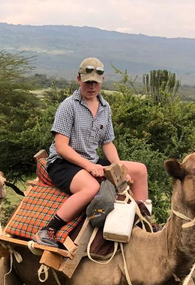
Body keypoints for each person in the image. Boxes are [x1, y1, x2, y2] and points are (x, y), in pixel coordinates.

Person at [33, 57, 149, 248]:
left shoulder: (105, 107)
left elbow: (107, 143)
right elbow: (61, 147)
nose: (92, 86)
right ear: (79, 79)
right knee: (91, 187)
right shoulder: (68, 106)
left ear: (102, 80)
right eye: (87, 82)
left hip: (91, 160)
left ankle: (142, 222)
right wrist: (89, 166)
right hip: (63, 163)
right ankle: (48, 230)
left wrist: (119, 168)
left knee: (140, 170)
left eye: (95, 82)